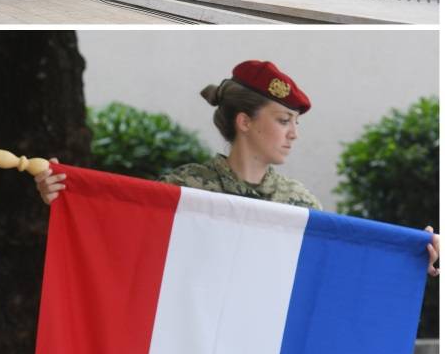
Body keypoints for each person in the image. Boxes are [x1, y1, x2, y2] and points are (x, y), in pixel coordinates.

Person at [35, 60, 440, 275]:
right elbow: (120, 243)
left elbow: (335, 273)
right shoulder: (185, 190)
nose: (294, 134)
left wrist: (410, 254)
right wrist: (64, 196)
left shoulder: (300, 203)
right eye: (284, 120)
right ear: (244, 122)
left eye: (296, 123)